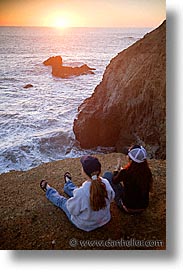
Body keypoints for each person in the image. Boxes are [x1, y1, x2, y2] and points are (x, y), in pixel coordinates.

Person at [40, 155, 115, 232]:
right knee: (79, 193)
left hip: (86, 224)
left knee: (63, 201)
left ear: (84, 172)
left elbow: (72, 210)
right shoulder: (105, 182)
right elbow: (112, 197)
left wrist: (71, 201)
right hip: (105, 218)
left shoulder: (81, 193)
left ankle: (49, 191)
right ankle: (68, 185)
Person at [103, 145, 153, 214]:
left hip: (128, 208)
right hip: (143, 207)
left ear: (131, 158)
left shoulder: (125, 172)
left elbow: (114, 181)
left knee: (107, 175)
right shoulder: (147, 171)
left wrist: (117, 169)